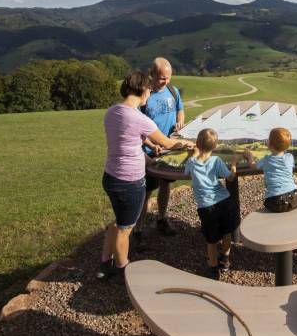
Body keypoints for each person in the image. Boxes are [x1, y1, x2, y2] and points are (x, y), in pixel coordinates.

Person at [97, 70, 193, 280]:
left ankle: (105, 263)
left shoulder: (112, 111)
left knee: (118, 221)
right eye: (149, 89)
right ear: (142, 90)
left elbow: (128, 141)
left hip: (111, 176)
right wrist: (188, 144)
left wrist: (149, 155)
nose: (150, 93)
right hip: (129, 181)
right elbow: (167, 142)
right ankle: (123, 270)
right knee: (125, 229)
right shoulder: (141, 119)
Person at [135, 57, 185, 240]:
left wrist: (180, 120)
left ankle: (162, 219)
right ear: (152, 75)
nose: (166, 81)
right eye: (162, 78)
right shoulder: (144, 96)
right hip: (149, 153)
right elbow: (137, 126)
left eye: (169, 77)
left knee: (166, 185)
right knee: (146, 191)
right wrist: (150, 144)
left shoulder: (173, 91)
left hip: (168, 149)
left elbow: (180, 109)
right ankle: (138, 230)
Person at [184, 128, 241, 280]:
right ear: (215, 147)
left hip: (206, 207)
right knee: (227, 232)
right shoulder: (216, 161)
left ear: (196, 143)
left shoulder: (191, 163)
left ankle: (213, 269)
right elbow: (230, 178)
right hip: (224, 202)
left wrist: (194, 154)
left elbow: (186, 172)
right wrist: (234, 164)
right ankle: (226, 259)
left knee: (211, 240)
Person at [244, 127, 297, 212]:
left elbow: (253, 166)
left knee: (270, 205)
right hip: (295, 197)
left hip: (276, 201)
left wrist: (249, 157)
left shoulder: (266, 160)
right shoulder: (290, 157)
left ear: (270, 144)